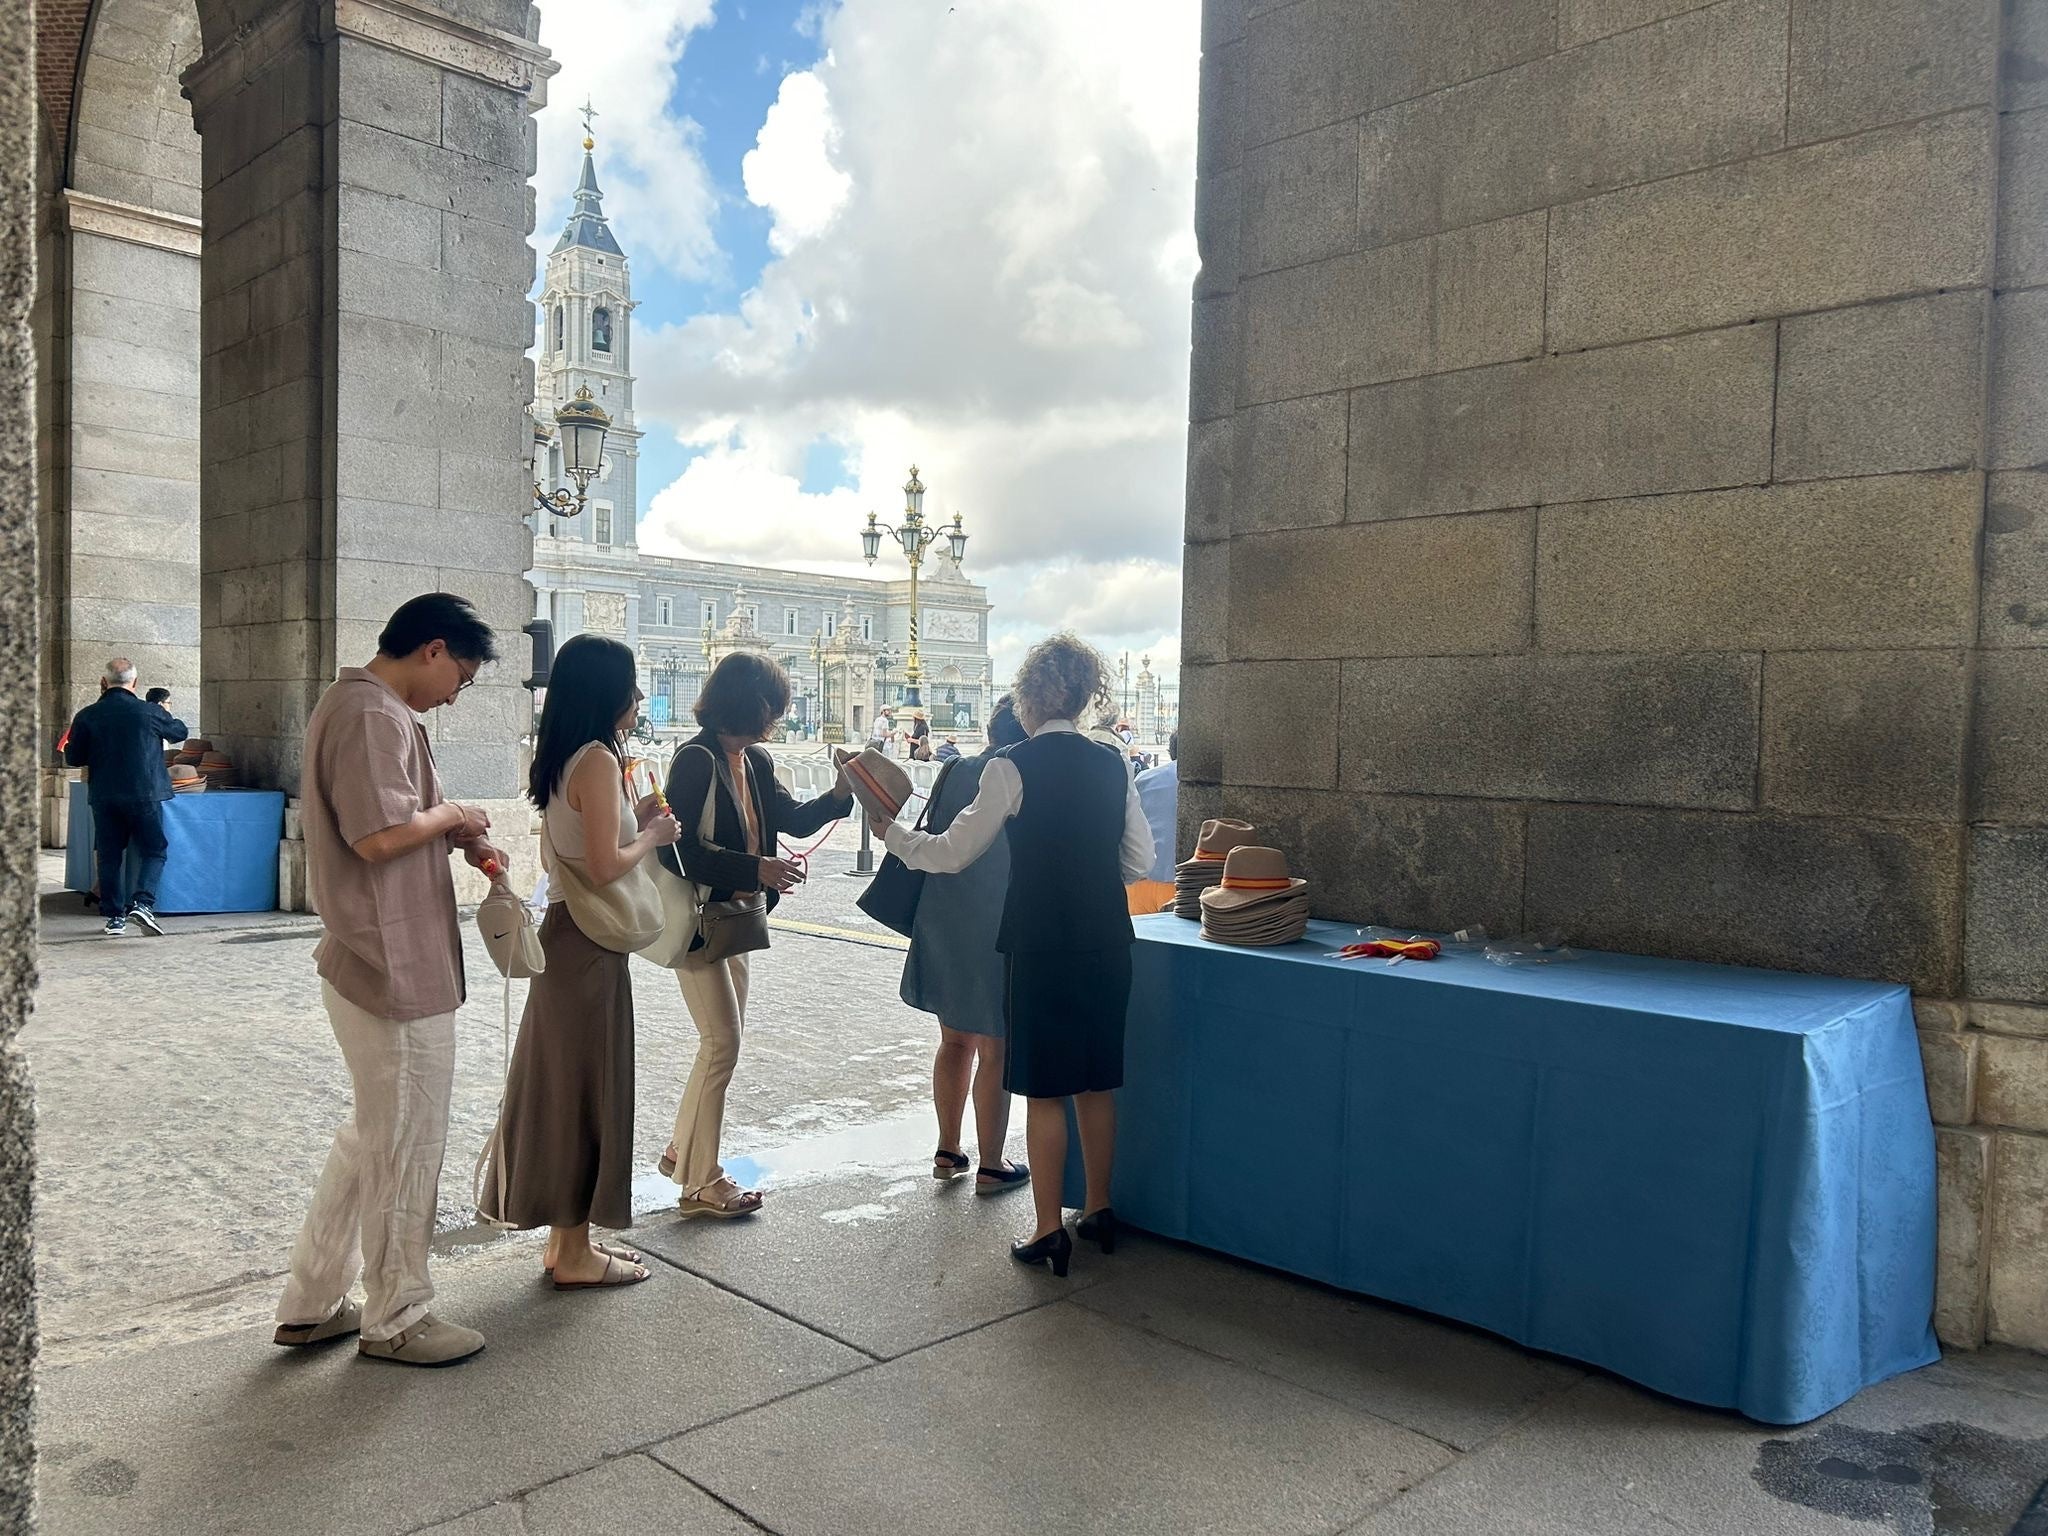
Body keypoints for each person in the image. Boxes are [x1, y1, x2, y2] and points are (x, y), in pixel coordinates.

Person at [273, 593, 505, 1367]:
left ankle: (311, 1302)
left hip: (370, 954)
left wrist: (451, 832)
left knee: (373, 1135)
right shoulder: (374, 713)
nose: (455, 694)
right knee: (406, 1139)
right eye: (461, 678)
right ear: (433, 650)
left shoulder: (360, 706)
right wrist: (453, 816)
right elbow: (378, 838)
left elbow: (386, 829)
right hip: (389, 962)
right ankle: (398, 1315)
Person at [881, 634, 1153, 1276]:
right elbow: (1139, 860)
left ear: (1029, 696)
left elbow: (952, 851)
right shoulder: (1114, 763)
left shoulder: (1011, 766)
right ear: (1088, 698)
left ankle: (1045, 1230)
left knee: (1045, 1090)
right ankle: (1100, 1210)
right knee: (1096, 1080)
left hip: (1039, 942)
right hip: (1108, 939)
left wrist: (892, 834)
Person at [482, 635, 678, 1288]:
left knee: (565, 1091)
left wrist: (636, 821)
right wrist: (650, 834)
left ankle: (567, 1241)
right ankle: (573, 1253)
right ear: (607, 692)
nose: (640, 698)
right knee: (586, 1095)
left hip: (567, 937)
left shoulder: (566, 758)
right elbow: (603, 865)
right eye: (631, 685)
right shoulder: (596, 760)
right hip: (588, 947)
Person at [658, 651, 854, 1218]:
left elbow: (791, 819)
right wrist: (755, 870)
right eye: (774, 706)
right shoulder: (696, 759)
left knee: (718, 1045)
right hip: (700, 920)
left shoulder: (756, 760)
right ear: (748, 703)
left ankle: (683, 1151)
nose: (777, 719)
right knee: (723, 1044)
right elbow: (679, 851)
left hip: (736, 919)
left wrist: (843, 792)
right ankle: (702, 1181)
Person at [900, 696, 1031, 1193]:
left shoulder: (954, 768)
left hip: (945, 915)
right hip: (998, 919)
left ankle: (948, 1148)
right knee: (997, 1047)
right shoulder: (1021, 774)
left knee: (954, 1041)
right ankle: (993, 1164)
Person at [64, 658, 187, 936]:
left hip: (105, 795)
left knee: (108, 856)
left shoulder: (87, 715)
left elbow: (74, 757)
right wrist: (161, 711)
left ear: (103, 683)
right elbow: (179, 732)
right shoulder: (148, 712)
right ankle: (143, 904)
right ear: (135, 683)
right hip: (145, 794)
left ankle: (114, 918)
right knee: (154, 850)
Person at [1127, 731, 1178, 916]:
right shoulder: (1203, 785)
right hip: (1180, 888)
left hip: (1139, 885)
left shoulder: (1143, 778)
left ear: (1170, 751)